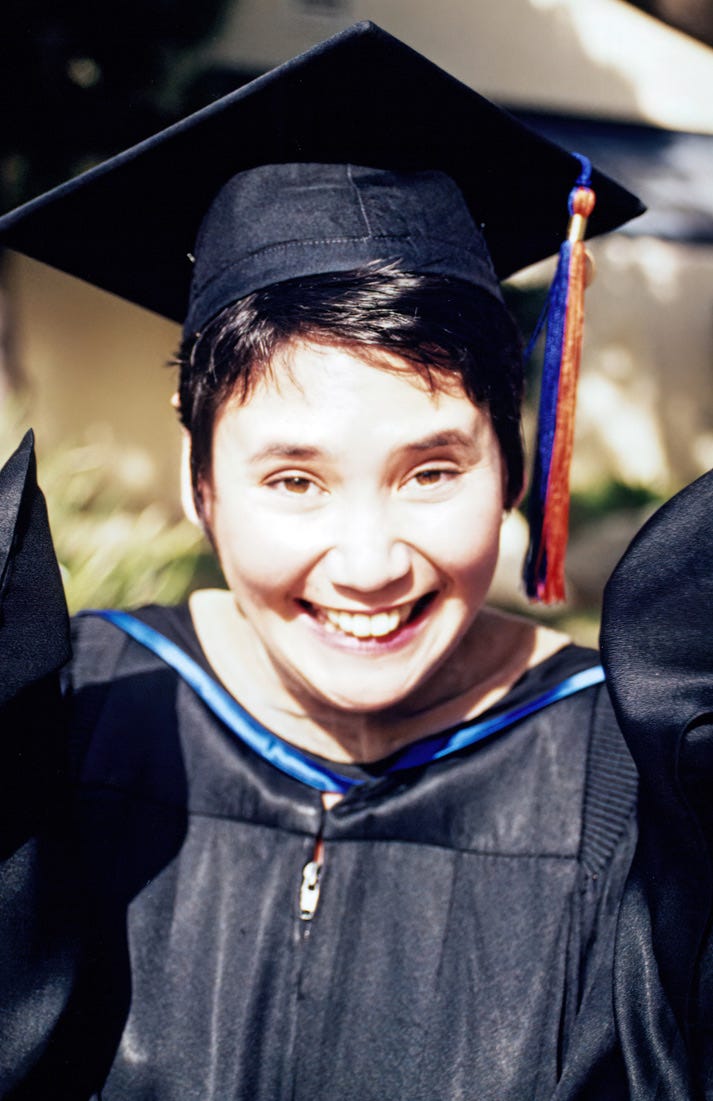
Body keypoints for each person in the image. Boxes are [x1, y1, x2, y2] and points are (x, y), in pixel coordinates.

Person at [0, 19, 706, 1101]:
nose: (370, 564)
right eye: (294, 481)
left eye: (431, 472)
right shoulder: (70, 715)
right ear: (203, 487)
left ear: (513, 470)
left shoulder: (631, 777)